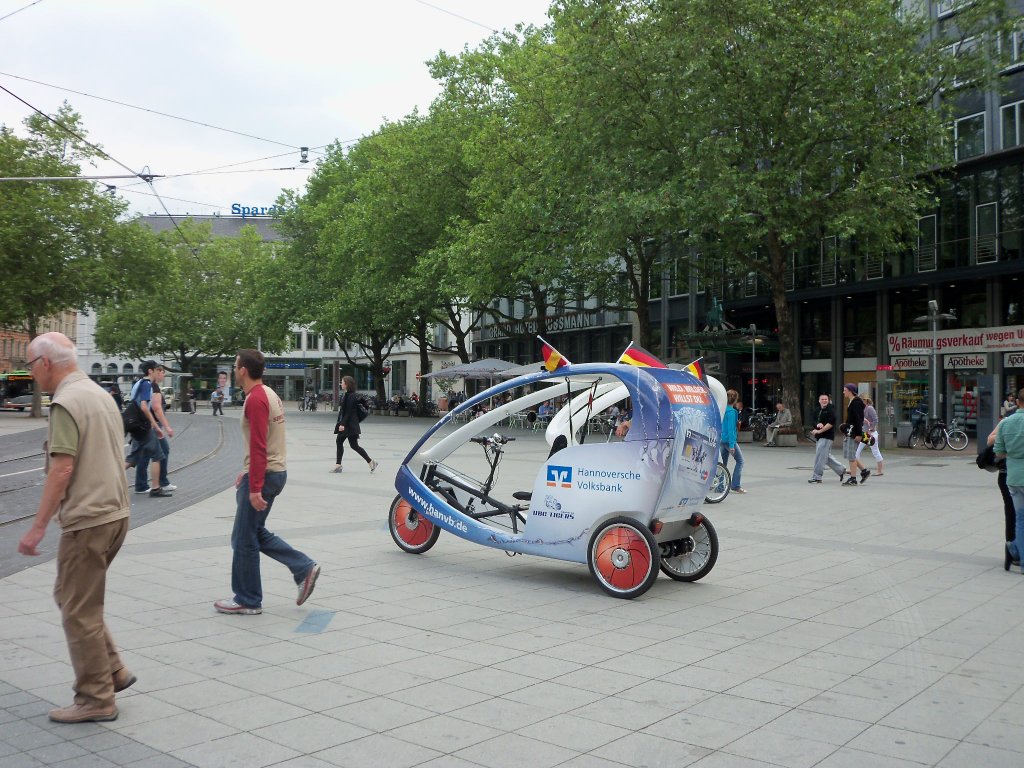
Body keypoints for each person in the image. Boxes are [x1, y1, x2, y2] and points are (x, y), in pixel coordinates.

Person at [17, 333, 135, 723]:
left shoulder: (66, 402)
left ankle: (95, 698)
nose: (32, 374)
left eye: (31, 365)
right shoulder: (99, 394)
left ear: (45, 363)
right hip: (115, 513)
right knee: (73, 597)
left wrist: (37, 527)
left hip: (88, 519)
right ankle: (112, 670)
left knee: (78, 610)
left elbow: (62, 469)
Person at [215, 349, 321, 615]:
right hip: (272, 472)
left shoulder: (256, 399)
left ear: (243, 370)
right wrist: (247, 471)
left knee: (243, 539)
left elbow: (259, 445)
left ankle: (248, 599)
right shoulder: (268, 394)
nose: (234, 370)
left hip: (265, 475)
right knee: (253, 532)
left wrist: (254, 487)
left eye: (235, 365)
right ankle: (303, 567)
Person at [125, 361, 172, 498]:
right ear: (150, 371)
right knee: (158, 455)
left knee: (133, 458)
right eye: (157, 370)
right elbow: (144, 406)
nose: (158, 372)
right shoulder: (146, 384)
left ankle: (108, 480)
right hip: (142, 425)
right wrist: (155, 425)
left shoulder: (139, 383)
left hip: (135, 425)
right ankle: (156, 488)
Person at [995, 388, 1024, 573]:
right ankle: (1013, 547)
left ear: (1018, 402)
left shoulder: (1006, 422)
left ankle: (1017, 553)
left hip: (1013, 477)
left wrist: (1013, 454)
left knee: (1020, 519)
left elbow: (999, 452)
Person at [989, 401, 1018, 570]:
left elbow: (993, 444)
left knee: (1012, 513)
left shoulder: (1007, 421)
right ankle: (1013, 549)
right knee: (1015, 514)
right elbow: (990, 440)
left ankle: (1012, 549)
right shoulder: (1008, 421)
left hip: (1008, 473)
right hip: (1009, 474)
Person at [333, 375, 379, 473]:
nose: (341, 384)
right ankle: (370, 462)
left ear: (347, 384)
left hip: (349, 425)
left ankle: (338, 465)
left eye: (342, 382)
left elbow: (348, 412)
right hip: (349, 425)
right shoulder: (347, 395)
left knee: (343, 442)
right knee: (352, 445)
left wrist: (342, 424)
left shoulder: (351, 396)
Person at [808, 393, 847, 484]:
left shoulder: (831, 409)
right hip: (819, 437)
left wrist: (820, 431)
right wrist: (817, 425)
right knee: (825, 457)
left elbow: (831, 423)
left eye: (826, 399)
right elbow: (813, 421)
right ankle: (841, 469)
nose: (824, 401)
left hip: (827, 436)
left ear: (828, 400)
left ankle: (817, 477)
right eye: (822, 399)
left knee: (820, 457)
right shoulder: (817, 410)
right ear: (819, 401)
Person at [149, 370, 177, 493]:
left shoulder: (145, 384)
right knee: (162, 451)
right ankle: (161, 483)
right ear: (155, 372)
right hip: (153, 426)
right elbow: (156, 408)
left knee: (139, 455)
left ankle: (141, 484)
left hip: (147, 425)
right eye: (162, 373)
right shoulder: (154, 387)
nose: (163, 375)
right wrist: (166, 427)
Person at [720, 389, 746, 493]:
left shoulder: (722, 410)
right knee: (740, 461)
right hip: (729, 440)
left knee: (723, 463)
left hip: (722, 439)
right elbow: (731, 429)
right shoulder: (732, 412)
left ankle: (720, 486)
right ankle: (735, 485)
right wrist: (732, 445)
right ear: (735, 400)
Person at [842, 383, 869, 486]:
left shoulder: (856, 402)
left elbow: (858, 419)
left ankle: (853, 479)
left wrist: (859, 434)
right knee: (851, 454)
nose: (843, 392)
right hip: (850, 431)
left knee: (851, 456)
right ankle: (864, 471)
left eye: (845, 390)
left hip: (854, 432)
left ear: (850, 391)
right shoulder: (852, 401)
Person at [854, 395, 885, 476]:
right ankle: (853, 469)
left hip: (870, 434)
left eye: (863, 399)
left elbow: (875, 420)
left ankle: (879, 470)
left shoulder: (870, 408)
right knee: (856, 452)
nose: (861, 401)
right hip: (864, 433)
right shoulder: (861, 408)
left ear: (867, 400)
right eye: (860, 400)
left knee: (875, 451)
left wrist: (870, 429)